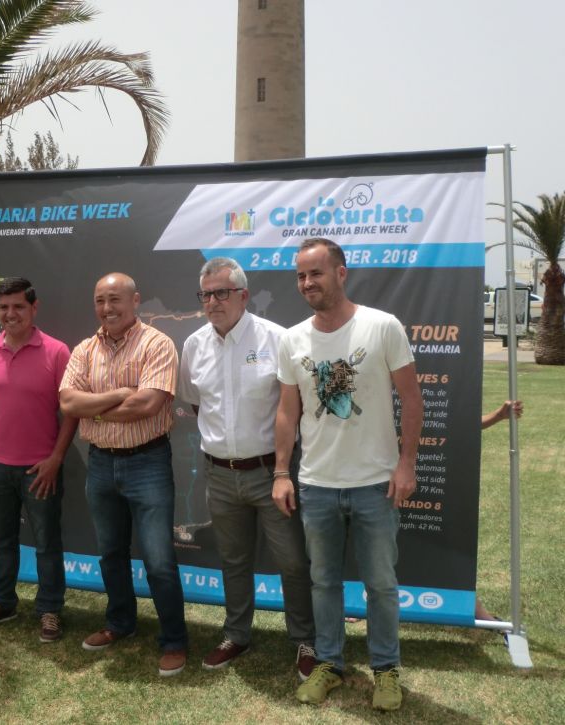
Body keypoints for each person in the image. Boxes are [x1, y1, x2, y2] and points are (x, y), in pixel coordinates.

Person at [272, 238, 423, 711]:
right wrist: (281, 470)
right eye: (300, 275)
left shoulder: (382, 327)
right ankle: (330, 664)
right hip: (316, 484)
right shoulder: (292, 338)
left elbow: (412, 400)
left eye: (315, 273)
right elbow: (286, 410)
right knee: (324, 583)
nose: (306, 283)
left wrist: (406, 464)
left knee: (381, 584)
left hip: (375, 484)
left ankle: (386, 670)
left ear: (341, 273)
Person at [178, 257, 315, 676]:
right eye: (205, 294)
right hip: (219, 474)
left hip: (271, 474)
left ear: (243, 294)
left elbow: (294, 409)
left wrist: (279, 470)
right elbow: (195, 401)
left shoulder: (278, 339)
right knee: (233, 560)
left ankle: (307, 642)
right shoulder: (194, 345)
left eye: (221, 293)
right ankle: (236, 635)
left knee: (292, 561)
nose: (212, 302)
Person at [59, 272, 188, 677]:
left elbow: (147, 404)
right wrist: (117, 395)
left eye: (115, 299)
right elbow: (67, 401)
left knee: (159, 560)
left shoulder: (157, 343)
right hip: (100, 463)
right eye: (99, 300)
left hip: (147, 462)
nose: (107, 308)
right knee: (111, 553)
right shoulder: (84, 349)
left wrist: (93, 405)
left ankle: (174, 640)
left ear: (135, 300)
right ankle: (120, 623)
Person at [0, 277, 78, 643]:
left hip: (39, 469)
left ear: (34, 308)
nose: (10, 314)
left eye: (18, 306)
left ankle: (49, 610)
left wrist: (56, 459)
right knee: (1, 540)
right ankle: (1, 601)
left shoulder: (57, 351)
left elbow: (71, 413)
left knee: (47, 543)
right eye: (3, 307)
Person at [475, 400, 523, 622]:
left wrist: (498, 415)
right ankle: (356, 602)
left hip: (433, 473)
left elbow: (450, 421)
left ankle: (472, 607)